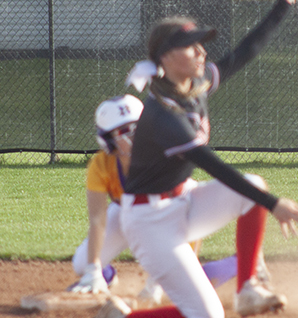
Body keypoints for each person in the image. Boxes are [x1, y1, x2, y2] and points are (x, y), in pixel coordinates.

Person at [93, 0, 298, 318]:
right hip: (149, 222)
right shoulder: (162, 115)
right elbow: (209, 163)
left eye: (200, 45)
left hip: (184, 203)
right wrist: (272, 202)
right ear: (165, 58)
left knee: (251, 184)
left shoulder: (196, 87)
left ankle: (248, 289)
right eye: (190, 46)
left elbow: (247, 50)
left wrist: (285, 1)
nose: (200, 52)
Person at [69, 94, 249, 303]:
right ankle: (106, 277)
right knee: (82, 264)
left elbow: (180, 216)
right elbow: (98, 219)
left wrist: (156, 284)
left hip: (170, 208)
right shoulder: (101, 165)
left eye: (137, 127)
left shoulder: (164, 153)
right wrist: (93, 270)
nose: (133, 136)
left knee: (176, 283)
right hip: (126, 212)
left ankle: (239, 262)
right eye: (124, 131)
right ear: (108, 140)